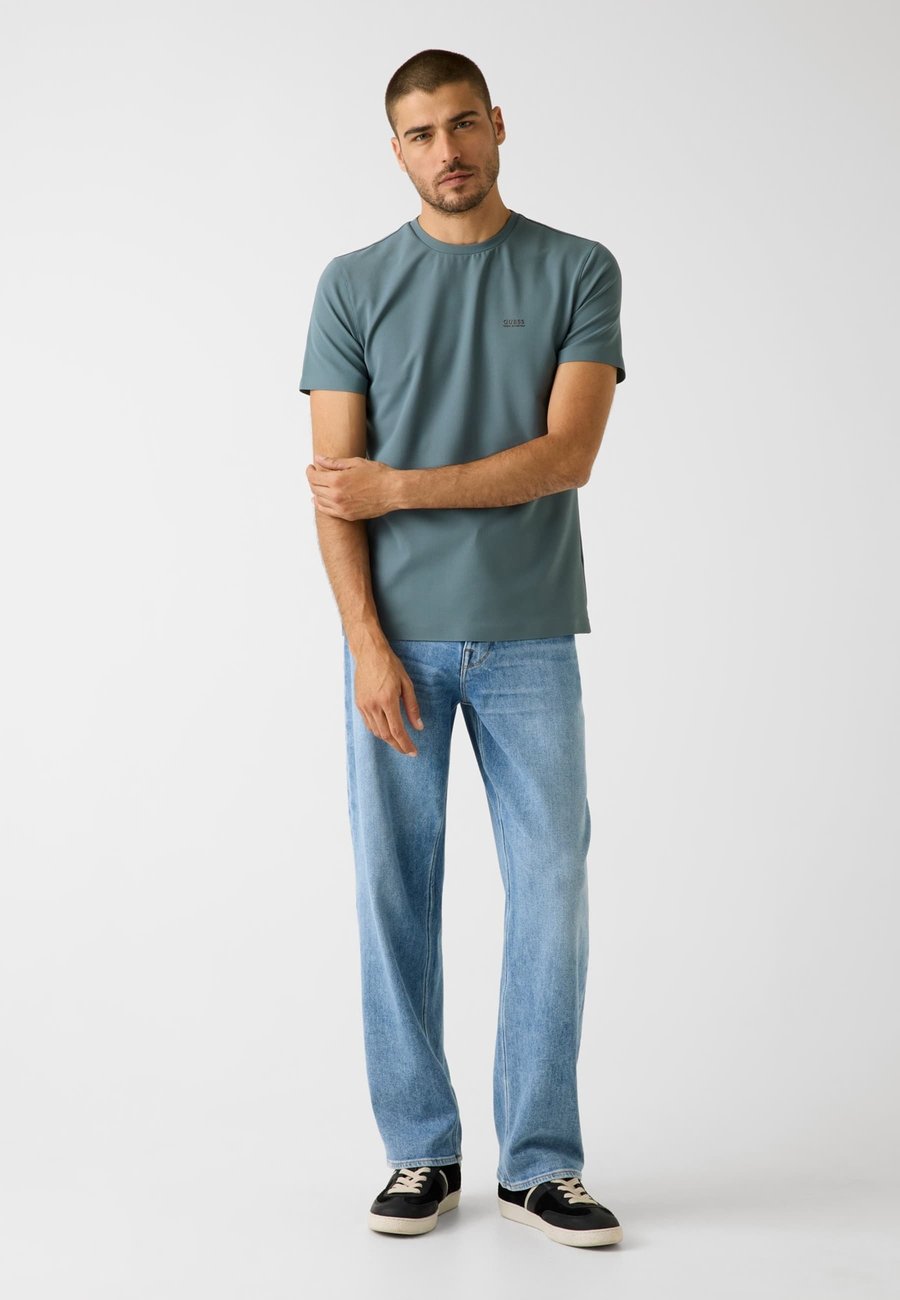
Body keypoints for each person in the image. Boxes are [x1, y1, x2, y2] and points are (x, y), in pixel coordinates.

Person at [298, 48, 626, 1250]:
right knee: (396, 891)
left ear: (498, 124)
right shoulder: (352, 284)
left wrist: (399, 487)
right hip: (400, 645)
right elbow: (332, 489)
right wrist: (365, 642)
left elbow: (566, 455)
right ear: (397, 151)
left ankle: (540, 1162)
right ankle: (420, 1149)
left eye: (463, 124)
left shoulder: (577, 268)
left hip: (532, 635)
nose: (449, 150)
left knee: (553, 891)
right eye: (423, 134)